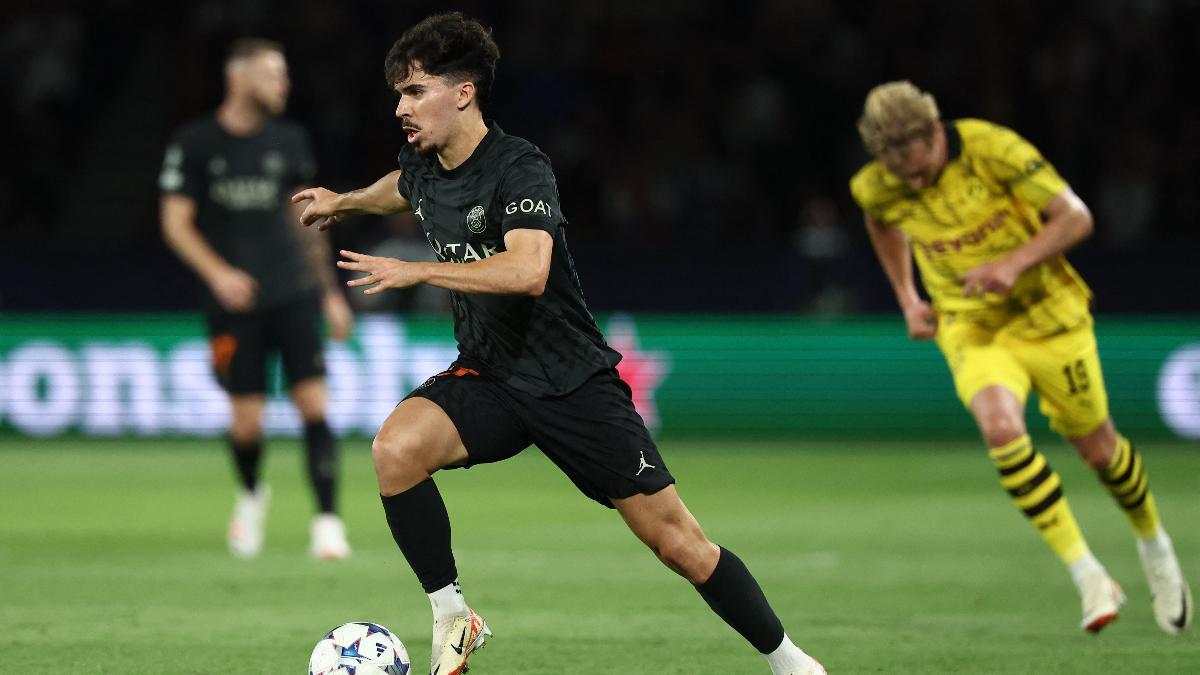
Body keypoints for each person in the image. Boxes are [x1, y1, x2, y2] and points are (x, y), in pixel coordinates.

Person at [292, 12, 825, 675]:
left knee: (679, 543)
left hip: (571, 382)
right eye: (398, 93)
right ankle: (454, 614)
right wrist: (344, 200)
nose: (401, 107)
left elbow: (527, 271)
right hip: (489, 374)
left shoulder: (520, 168)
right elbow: (404, 190)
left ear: (464, 92)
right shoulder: (421, 162)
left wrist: (419, 270)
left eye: (415, 91)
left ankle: (791, 661)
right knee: (394, 449)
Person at [850, 80, 1192, 635]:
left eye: (919, 167)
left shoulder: (993, 149)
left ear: (935, 134)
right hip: (971, 325)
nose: (913, 182)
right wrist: (909, 298)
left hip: (1049, 316)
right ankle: (1089, 575)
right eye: (901, 175)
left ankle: (1155, 546)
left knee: (1100, 451)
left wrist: (1011, 264)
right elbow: (880, 221)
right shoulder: (876, 186)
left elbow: (1075, 217)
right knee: (1000, 427)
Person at [160, 38, 354, 560]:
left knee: (314, 404)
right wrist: (218, 274)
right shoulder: (196, 142)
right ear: (239, 77)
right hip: (231, 305)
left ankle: (328, 522)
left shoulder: (289, 141)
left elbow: (307, 221)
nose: (283, 83)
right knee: (246, 420)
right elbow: (175, 223)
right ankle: (250, 495)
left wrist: (330, 296)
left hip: (291, 295)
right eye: (274, 73)